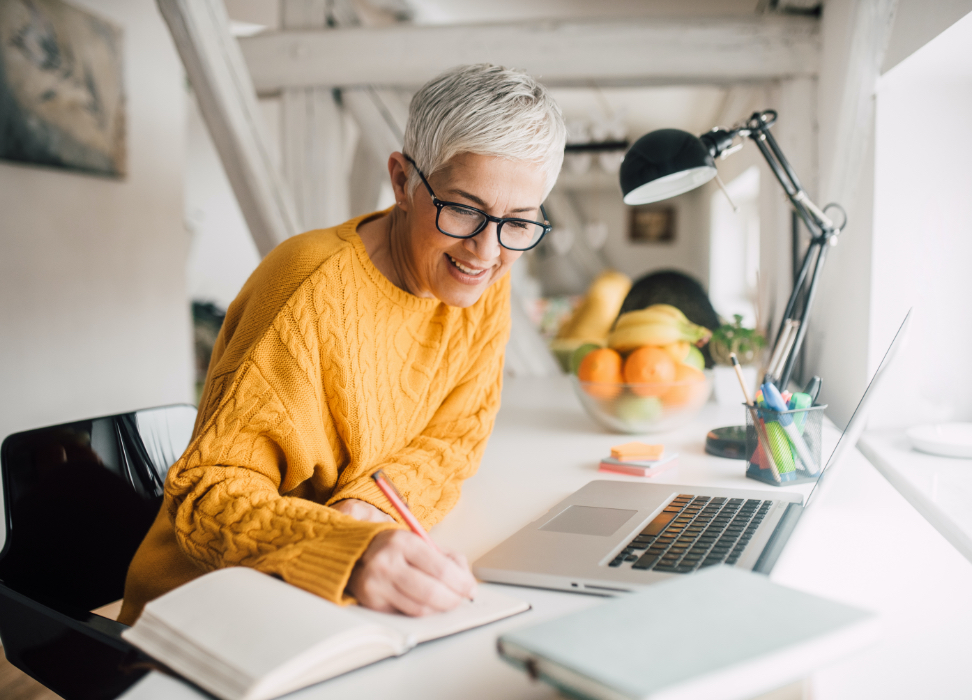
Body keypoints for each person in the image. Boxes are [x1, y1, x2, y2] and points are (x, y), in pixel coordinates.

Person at [118, 64, 566, 624]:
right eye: (463, 209)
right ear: (402, 182)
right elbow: (208, 497)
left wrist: (369, 509)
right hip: (202, 610)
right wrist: (344, 547)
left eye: (519, 222)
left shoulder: (483, 279)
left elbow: (454, 436)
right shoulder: (307, 290)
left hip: (328, 604)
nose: (486, 250)